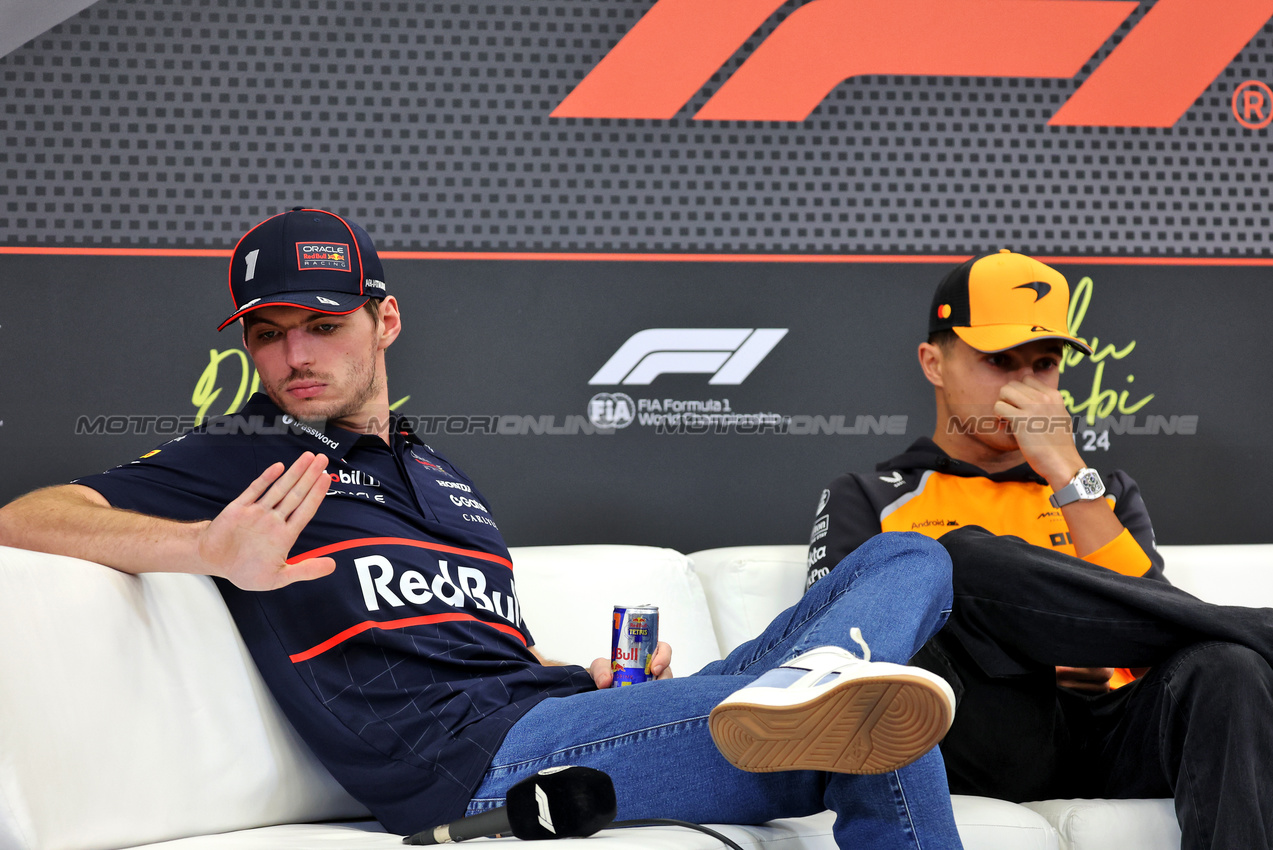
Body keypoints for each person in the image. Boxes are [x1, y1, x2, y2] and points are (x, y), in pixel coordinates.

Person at [0, 208, 965, 849]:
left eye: (322, 325)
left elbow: (480, 650)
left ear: (384, 321)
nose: (292, 356)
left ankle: (821, 678)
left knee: (909, 553)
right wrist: (206, 551)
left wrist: (579, 676)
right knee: (885, 721)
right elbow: (26, 518)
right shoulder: (246, 453)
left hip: (548, 713)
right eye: (266, 331)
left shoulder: (442, 475)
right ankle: (833, 687)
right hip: (474, 768)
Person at [805, 250, 1273, 850]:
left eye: (1044, 365)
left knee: (1230, 667)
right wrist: (1040, 647)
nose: (1023, 387)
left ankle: (1252, 642)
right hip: (972, 735)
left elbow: (1161, 649)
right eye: (998, 361)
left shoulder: (1099, 491)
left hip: (1100, 734)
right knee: (959, 561)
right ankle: (1260, 628)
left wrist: (1066, 470)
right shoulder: (868, 497)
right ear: (934, 362)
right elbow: (839, 652)